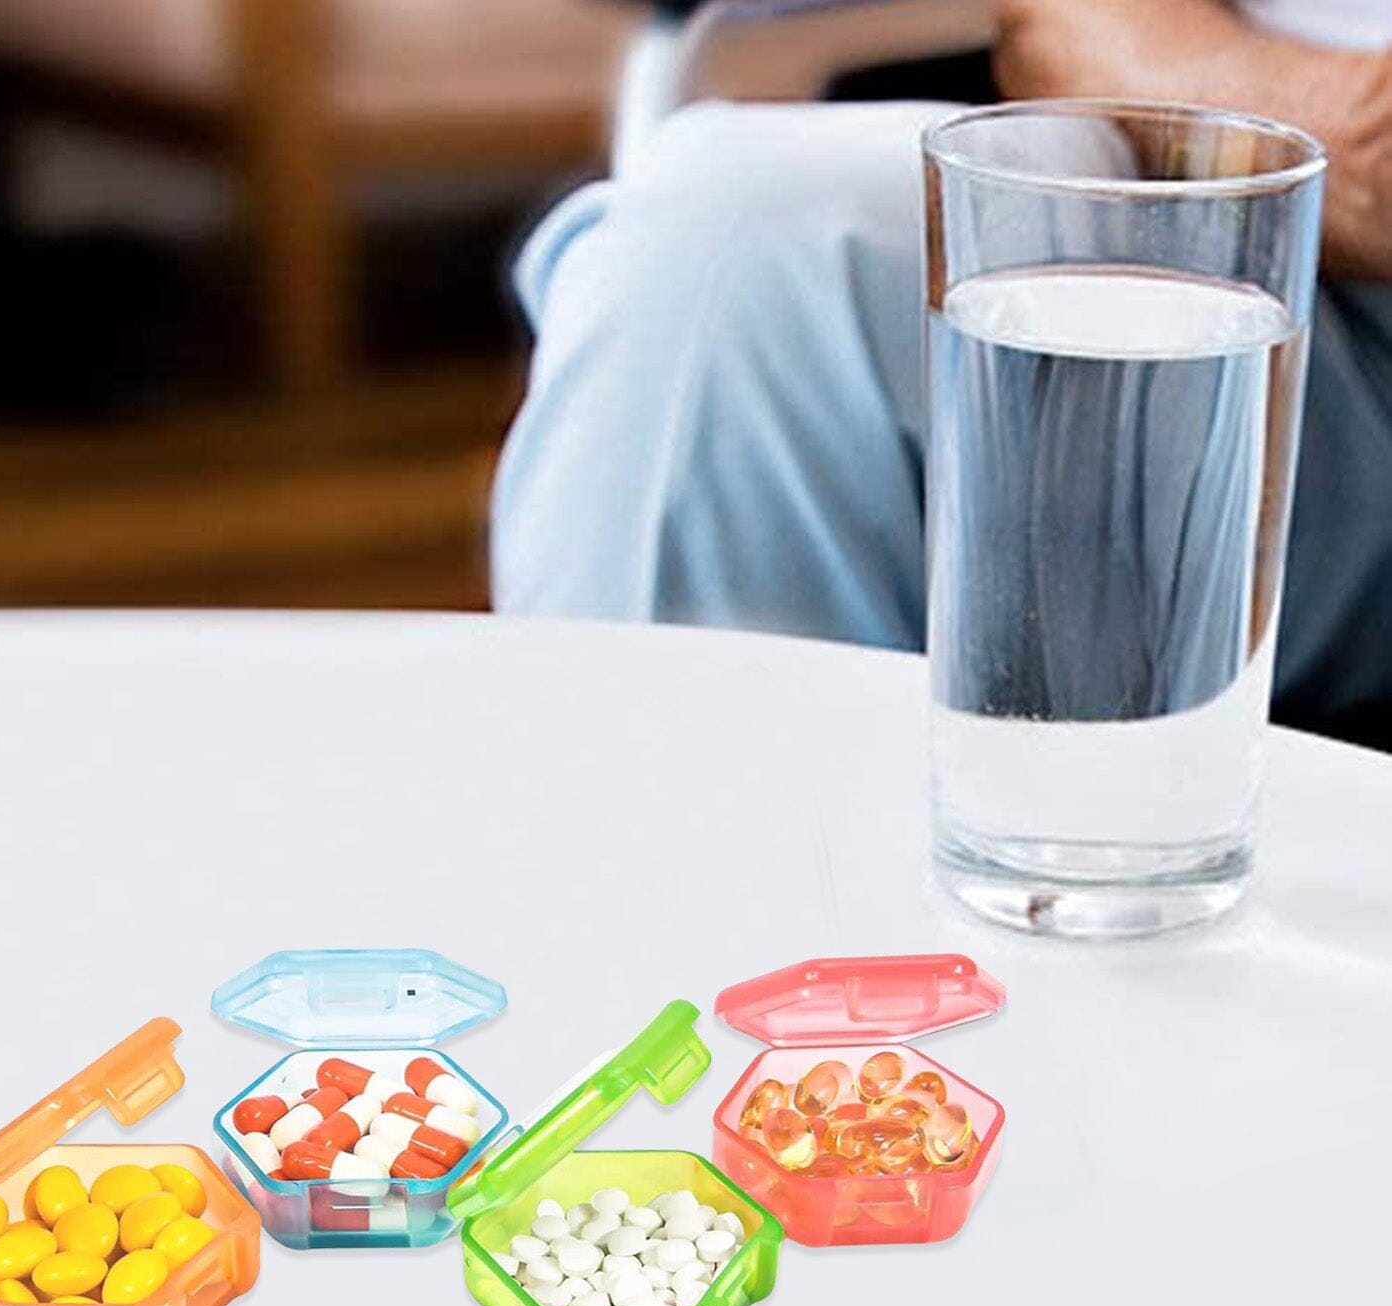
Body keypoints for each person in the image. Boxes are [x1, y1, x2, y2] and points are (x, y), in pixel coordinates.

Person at [491, 0, 1392, 748]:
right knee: (736, 246)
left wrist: (1180, 78)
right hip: (1182, 125)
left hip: (1240, 146)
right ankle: (642, 899)